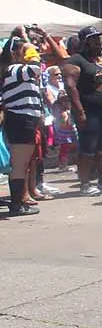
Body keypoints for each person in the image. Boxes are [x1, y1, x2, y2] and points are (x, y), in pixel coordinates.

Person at [64, 26, 102, 196]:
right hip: (89, 111)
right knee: (88, 148)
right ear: (85, 42)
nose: (98, 42)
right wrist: (79, 111)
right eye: (93, 39)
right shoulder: (77, 60)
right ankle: (85, 183)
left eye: (98, 38)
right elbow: (70, 86)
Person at [1, 34, 46, 216]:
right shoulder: (15, 69)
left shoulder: (17, 70)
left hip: (24, 120)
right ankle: (16, 204)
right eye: (23, 50)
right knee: (20, 164)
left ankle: (18, 202)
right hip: (20, 119)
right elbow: (36, 67)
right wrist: (30, 48)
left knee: (22, 163)